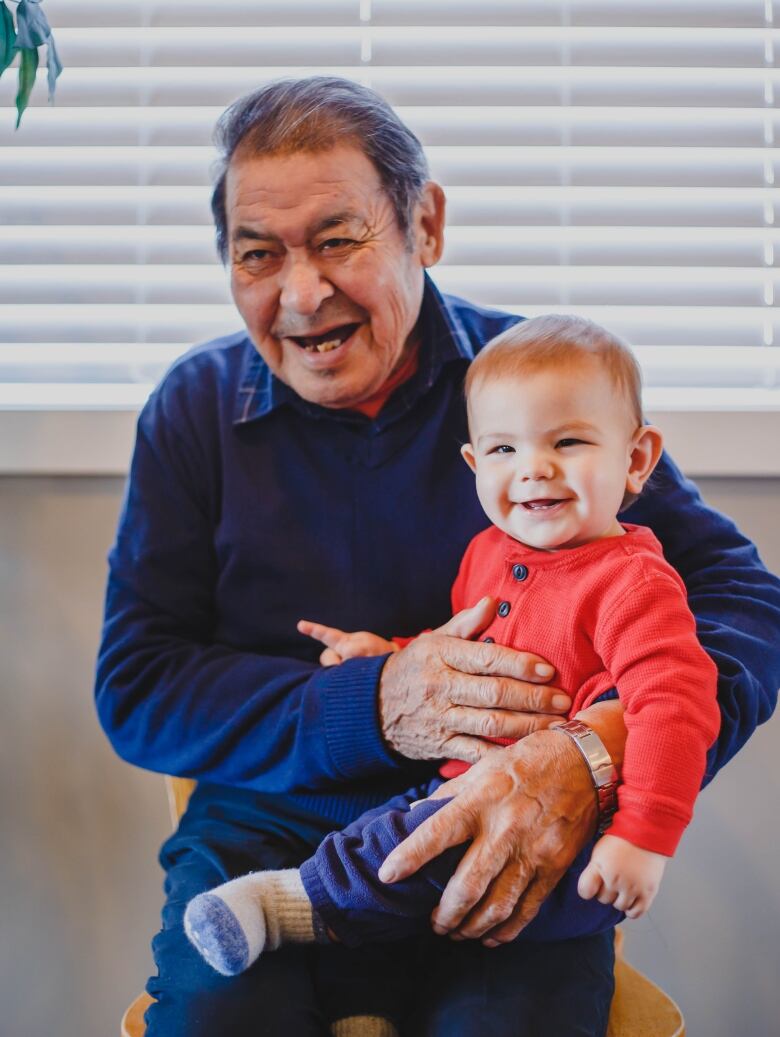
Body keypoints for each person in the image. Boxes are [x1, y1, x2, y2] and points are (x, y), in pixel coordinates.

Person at [95, 76, 780, 1037]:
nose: (302, 294)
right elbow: (138, 686)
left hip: (514, 819)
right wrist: (374, 705)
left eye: (339, 240)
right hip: (269, 835)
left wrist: (595, 749)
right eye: (259, 255)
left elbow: (746, 601)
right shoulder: (194, 409)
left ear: (426, 225)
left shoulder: (540, 387)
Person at [181, 315, 721, 999]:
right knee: (398, 833)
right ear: (474, 464)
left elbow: (678, 706)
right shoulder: (489, 554)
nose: (533, 468)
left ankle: (290, 905)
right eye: (503, 449)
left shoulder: (632, 584)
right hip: (460, 787)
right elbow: (467, 653)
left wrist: (644, 837)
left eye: (569, 441)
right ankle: (361, 995)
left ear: (638, 459)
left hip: (557, 842)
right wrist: (390, 657)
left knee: (408, 847)